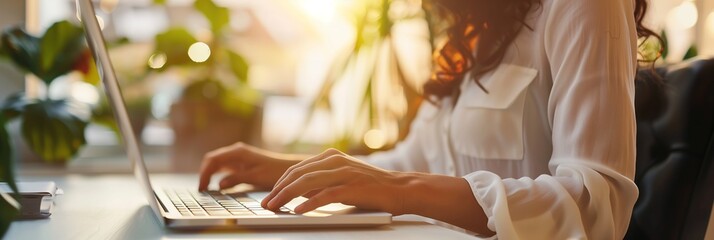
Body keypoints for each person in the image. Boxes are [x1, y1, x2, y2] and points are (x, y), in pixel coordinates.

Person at [198, 0, 660, 238]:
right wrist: (288, 169)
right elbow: (414, 156)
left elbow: (596, 207)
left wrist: (404, 191)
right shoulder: (482, 24)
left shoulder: (582, 7)